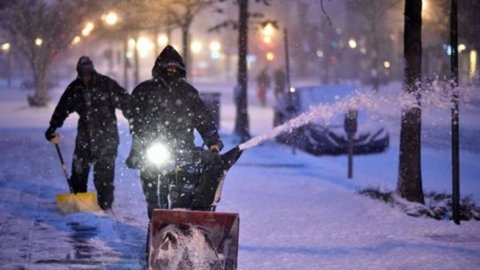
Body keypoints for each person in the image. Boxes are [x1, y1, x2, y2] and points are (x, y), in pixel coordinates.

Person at [126, 45, 223, 219]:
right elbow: (134, 119)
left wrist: (213, 141)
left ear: (180, 70)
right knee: (154, 197)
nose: (171, 71)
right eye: (167, 68)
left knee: (184, 194)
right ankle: (156, 223)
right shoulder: (144, 91)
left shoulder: (188, 93)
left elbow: (204, 120)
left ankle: (182, 223)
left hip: (182, 151)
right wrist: (143, 137)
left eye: (175, 68)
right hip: (151, 150)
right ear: (159, 68)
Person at [45, 56, 131, 211]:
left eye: (88, 73)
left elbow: (126, 101)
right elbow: (62, 108)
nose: (85, 77)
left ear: (92, 71)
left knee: (104, 175)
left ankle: (105, 206)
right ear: (78, 73)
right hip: (85, 136)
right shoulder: (75, 88)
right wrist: (53, 126)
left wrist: (134, 117)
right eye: (82, 74)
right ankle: (79, 202)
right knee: (78, 171)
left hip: (107, 138)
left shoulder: (106, 84)